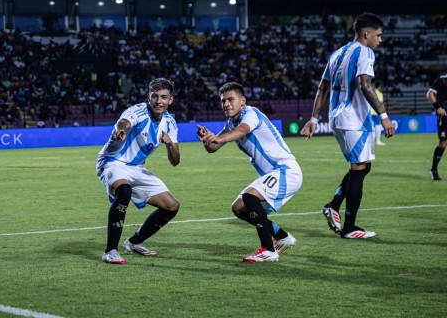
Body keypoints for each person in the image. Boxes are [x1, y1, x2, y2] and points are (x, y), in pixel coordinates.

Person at [300, 12, 395, 239]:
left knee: (362, 166)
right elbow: (365, 83)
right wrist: (383, 115)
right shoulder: (365, 52)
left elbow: (322, 87)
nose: (380, 40)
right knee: (359, 168)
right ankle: (349, 227)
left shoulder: (337, 53)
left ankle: (334, 205)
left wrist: (314, 119)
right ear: (366, 34)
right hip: (353, 119)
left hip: (338, 118)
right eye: (378, 35)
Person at [197, 82, 302, 262]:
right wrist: (208, 139)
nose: (226, 104)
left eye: (231, 99)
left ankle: (268, 250)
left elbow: (242, 130)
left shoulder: (251, 114)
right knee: (238, 208)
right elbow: (213, 148)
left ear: (242, 101)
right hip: (274, 174)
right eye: (223, 101)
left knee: (250, 197)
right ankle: (283, 238)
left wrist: (218, 136)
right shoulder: (231, 122)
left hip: (286, 170)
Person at [96, 78, 181, 265]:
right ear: (149, 97)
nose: (159, 101)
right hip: (112, 162)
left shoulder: (170, 123)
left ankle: (134, 242)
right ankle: (110, 251)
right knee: (124, 192)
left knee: (171, 206)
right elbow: (125, 122)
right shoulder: (138, 111)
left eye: (163, 97)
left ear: (170, 100)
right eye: (155, 96)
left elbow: (175, 161)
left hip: (136, 168)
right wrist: (121, 130)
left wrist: (169, 145)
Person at [426, 73, 447, 181]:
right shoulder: (442, 80)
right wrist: (438, 107)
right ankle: (433, 170)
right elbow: (430, 94)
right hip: (444, 115)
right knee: (443, 144)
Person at [373, 81, 385, 146]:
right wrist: (383, 113)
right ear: (379, 87)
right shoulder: (380, 94)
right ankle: (377, 141)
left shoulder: (370, 92)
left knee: (370, 127)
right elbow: (380, 104)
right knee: (378, 126)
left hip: (369, 112)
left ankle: (371, 141)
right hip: (376, 112)